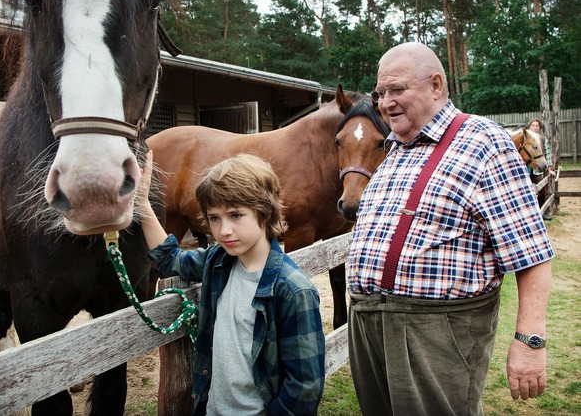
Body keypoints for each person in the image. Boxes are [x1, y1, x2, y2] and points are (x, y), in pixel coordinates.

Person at [347, 42, 553, 415]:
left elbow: (531, 253)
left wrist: (529, 341)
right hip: (369, 325)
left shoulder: (483, 143)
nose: (385, 102)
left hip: (436, 334)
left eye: (397, 90)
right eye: (380, 93)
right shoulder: (395, 149)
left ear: (437, 85)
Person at [137, 151, 326, 415]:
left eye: (235, 215)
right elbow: (170, 259)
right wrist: (144, 207)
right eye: (215, 218)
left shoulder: (293, 291)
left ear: (265, 212)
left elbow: (305, 387)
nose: (223, 230)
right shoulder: (218, 260)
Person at [527, 118, 556, 220]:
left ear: (540, 128)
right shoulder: (525, 138)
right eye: (533, 125)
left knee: (541, 189)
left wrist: (549, 169)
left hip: (536, 170)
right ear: (529, 126)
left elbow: (547, 155)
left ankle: (540, 212)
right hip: (525, 169)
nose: (534, 127)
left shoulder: (543, 140)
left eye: (537, 126)